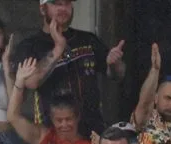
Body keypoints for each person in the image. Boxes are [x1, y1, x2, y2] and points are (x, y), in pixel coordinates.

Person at [11, 0, 125, 135]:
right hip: (53, 134)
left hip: (93, 130)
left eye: (67, 3)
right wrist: (58, 48)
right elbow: (31, 81)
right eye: (57, 4)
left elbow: (118, 75)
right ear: (42, 9)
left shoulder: (88, 39)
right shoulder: (30, 46)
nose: (63, 8)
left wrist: (114, 64)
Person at [8, 62, 93, 144]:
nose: (64, 124)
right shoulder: (43, 136)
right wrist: (19, 82)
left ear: (77, 117)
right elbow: (12, 117)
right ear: (52, 119)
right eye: (59, 120)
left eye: (68, 119)